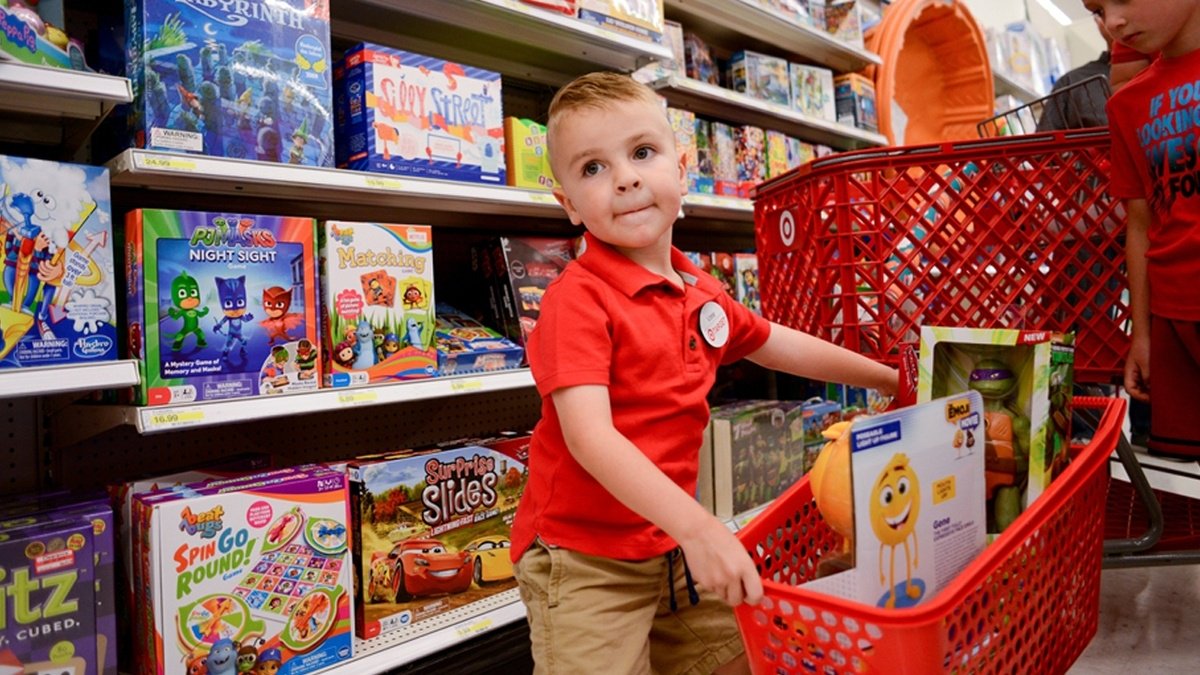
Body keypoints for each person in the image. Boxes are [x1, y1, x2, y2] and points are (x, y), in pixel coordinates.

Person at [510, 72, 899, 674]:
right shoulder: (577, 300)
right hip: (586, 559)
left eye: (642, 152)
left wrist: (887, 378)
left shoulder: (697, 289)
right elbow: (590, 437)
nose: (625, 178)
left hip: (669, 544)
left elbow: (774, 343)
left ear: (682, 168)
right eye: (593, 168)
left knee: (742, 655)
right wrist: (700, 530)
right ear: (570, 206)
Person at [1090, 0, 1200, 459]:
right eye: (1097, 9)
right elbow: (1140, 223)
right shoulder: (1127, 105)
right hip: (1173, 315)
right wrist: (1143, 335)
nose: (1112, 21)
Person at [1036, 16, 1113, 131]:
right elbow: (1043, 140)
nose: (1115, 20)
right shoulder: (1071, 83)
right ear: (1097, 19)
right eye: (1101, 12)